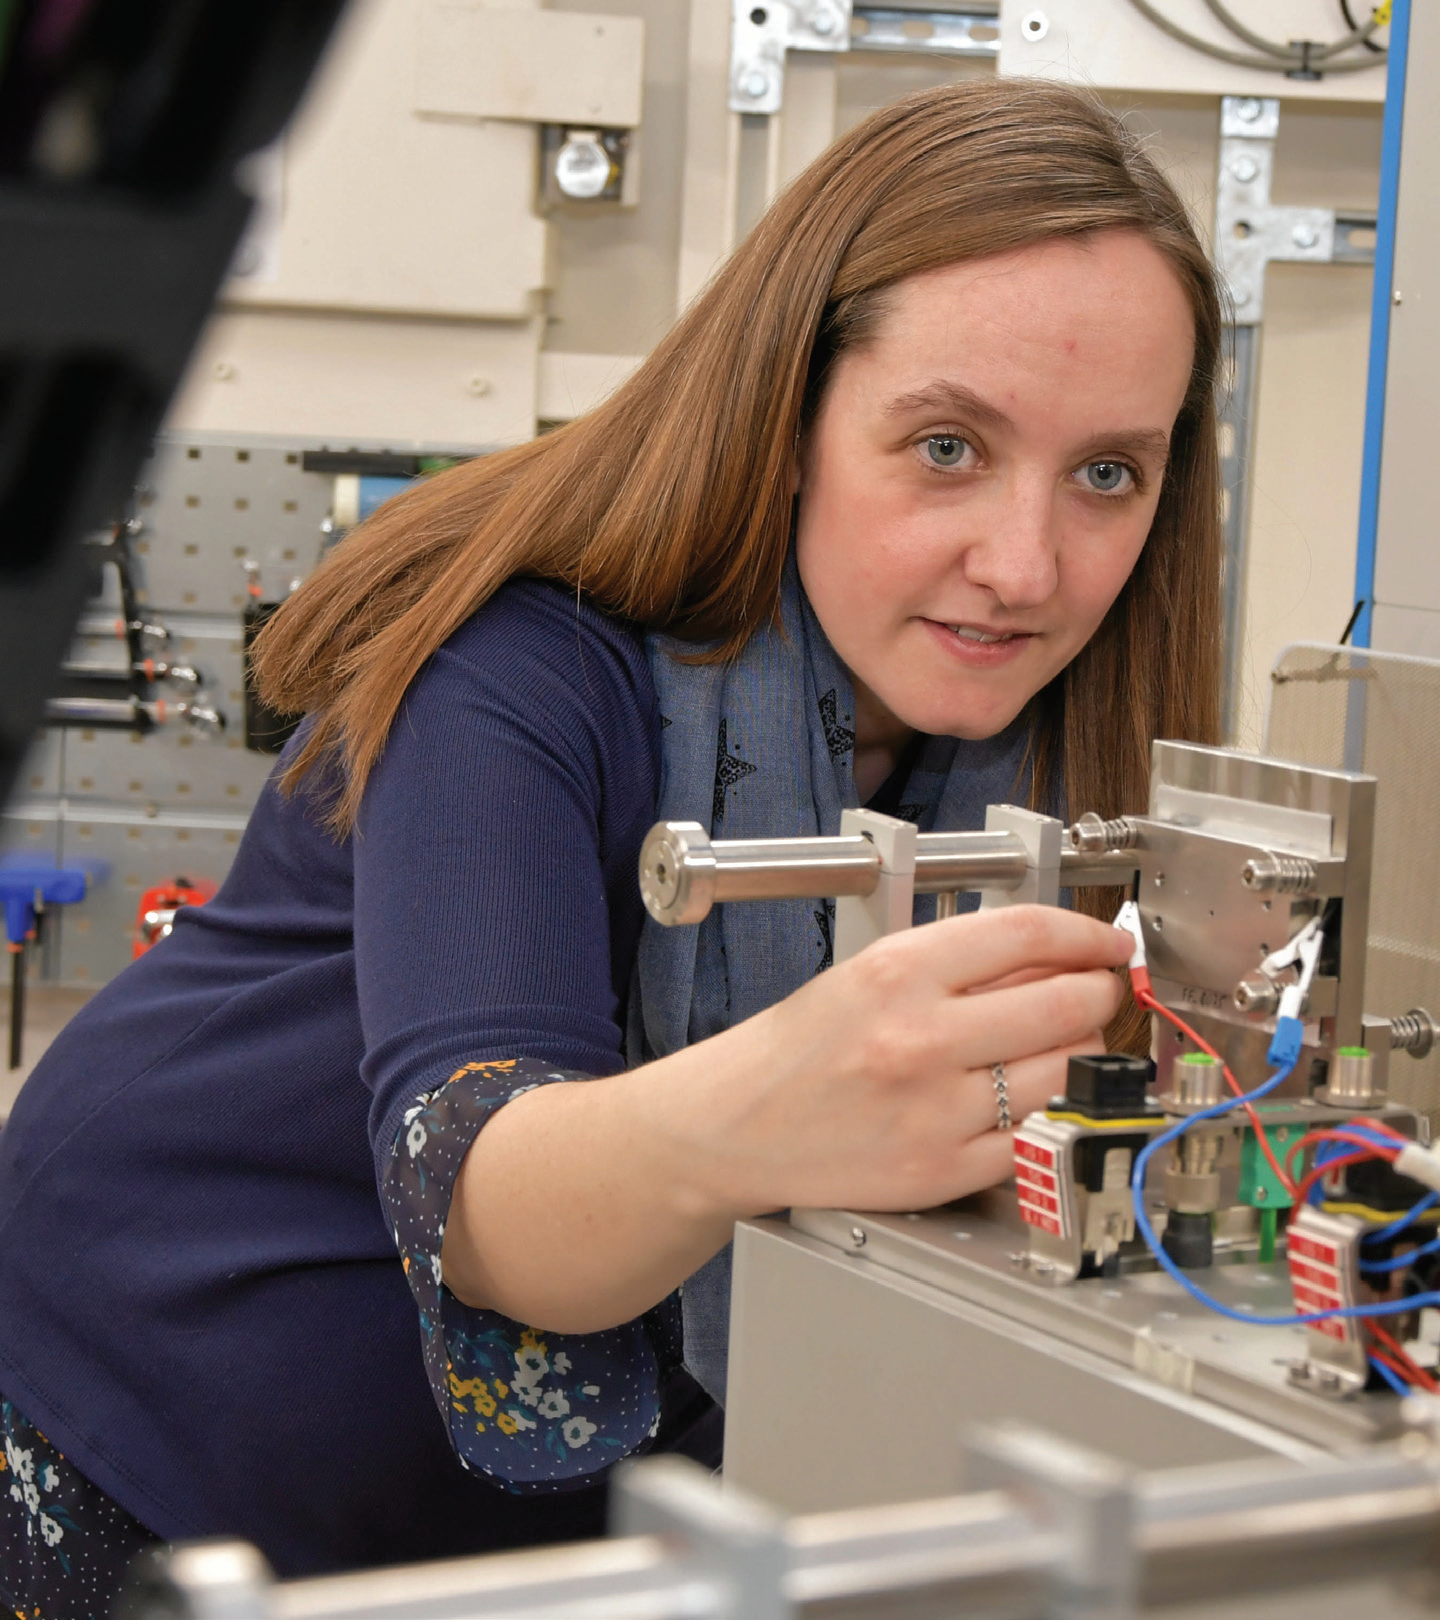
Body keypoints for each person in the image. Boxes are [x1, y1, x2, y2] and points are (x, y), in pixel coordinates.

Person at [0, 75, 1220, 1616]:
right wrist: (796, 1089)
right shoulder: (518, 665)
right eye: (944, 447)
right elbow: (491, 1202)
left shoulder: (1033, 754)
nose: (1024, 563)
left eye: (1107, 472)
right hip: (174, 1408)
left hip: (582, 1539)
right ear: (788, 422)